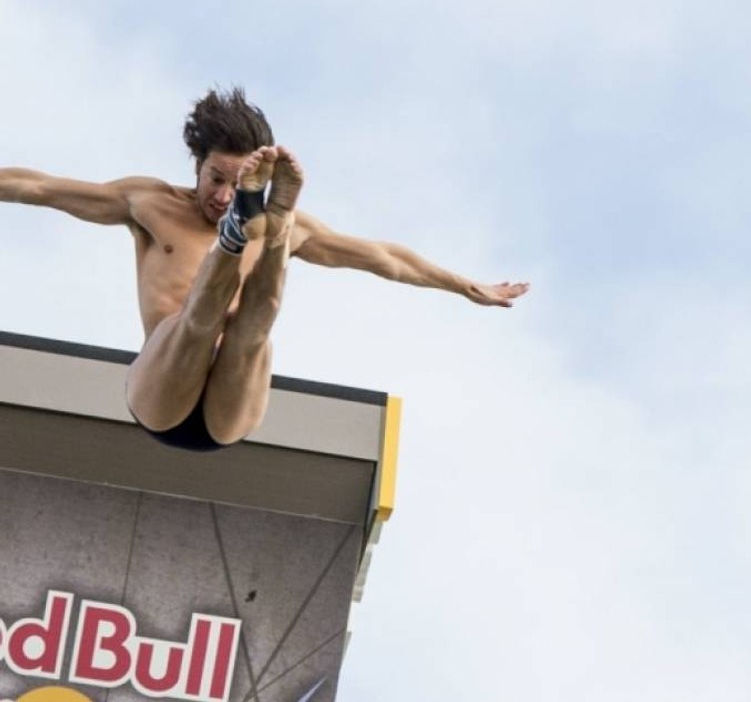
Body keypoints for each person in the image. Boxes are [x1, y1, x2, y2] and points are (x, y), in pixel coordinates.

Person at [0, 88, 529, 451]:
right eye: (215, 179)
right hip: (162, 394)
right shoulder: (151, 204)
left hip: (230, 410)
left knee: (255, 328)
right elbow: (41, 187)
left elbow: (384, 258)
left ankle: (270, 226)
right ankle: (245, 238)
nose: (223, 195)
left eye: (237, 186)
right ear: (197, 166)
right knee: (194, 322)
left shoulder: (288, 222)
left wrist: (465, 286)